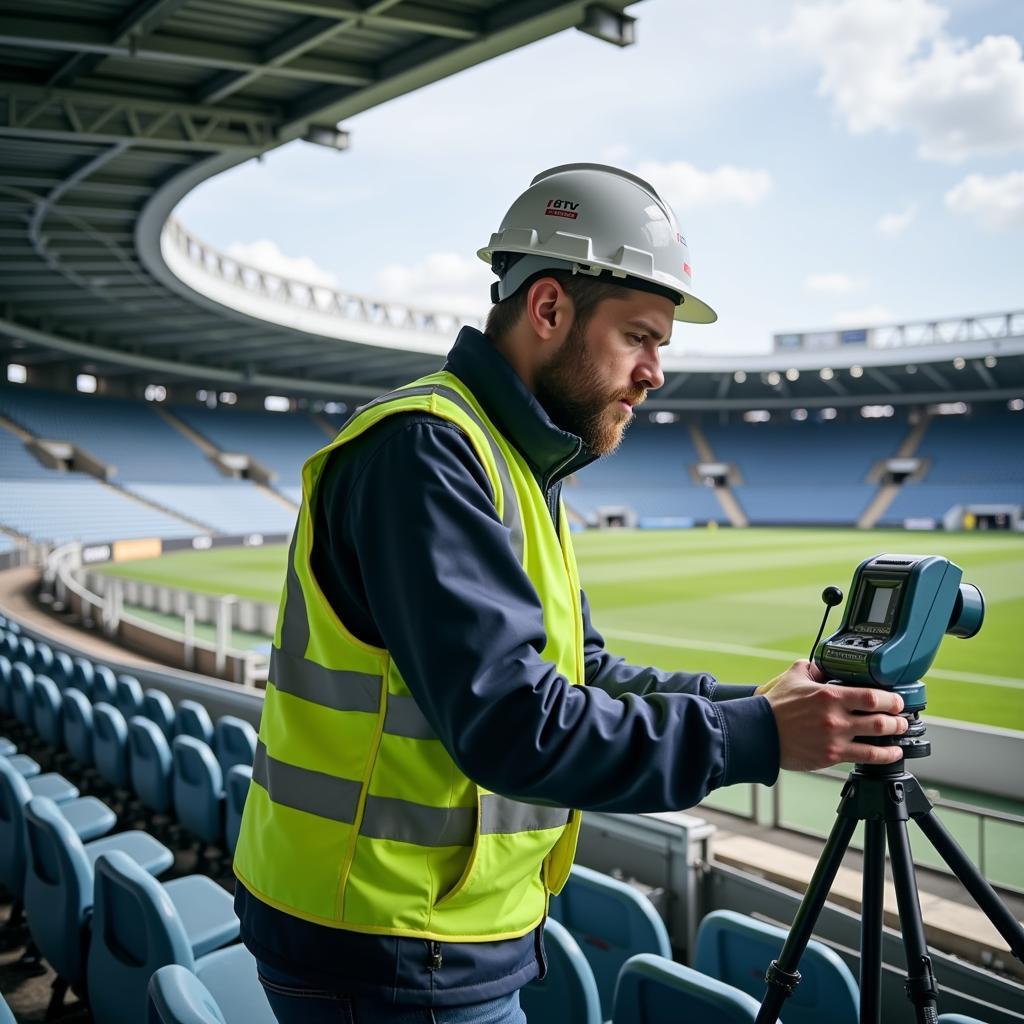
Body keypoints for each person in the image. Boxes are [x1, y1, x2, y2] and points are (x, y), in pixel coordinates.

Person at [232, 164, 908, 1024]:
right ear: (549, 309)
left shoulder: (514, 460)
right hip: (384, 941)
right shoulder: (427, 453)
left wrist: (759, 705)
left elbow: (576, 669)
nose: (656, 373)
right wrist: (755, 738)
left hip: (429, 930)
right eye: (640, 337)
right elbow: (514, 724)